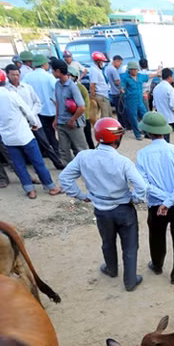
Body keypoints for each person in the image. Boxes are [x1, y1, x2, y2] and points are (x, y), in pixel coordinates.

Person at [59, 117, 147, 292]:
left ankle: (111, 269)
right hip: (124, 209)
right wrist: (136, 199)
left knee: (107, 241)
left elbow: (64, 179)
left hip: (101, 209)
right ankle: (130, 281)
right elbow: (142, 187)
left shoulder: (84, 157)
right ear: (117, 139)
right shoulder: (123, 162)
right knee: (129, 245)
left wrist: (81, 195)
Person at [0, 65, 59, 199]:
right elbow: (28, 112)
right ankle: (51, 186)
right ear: (3, 77)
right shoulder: (11, 94)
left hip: (8, 138)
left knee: (19, 165)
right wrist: (34, 124)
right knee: (37, 162)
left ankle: (30, 190)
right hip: (24, 135)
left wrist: (1, 130)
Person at [136, 112, 174, 285]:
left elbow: (144, 185)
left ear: (147, 132)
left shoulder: (142, 154)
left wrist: (165, 201)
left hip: (156, 205)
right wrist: (172, 200)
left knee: (156, 236)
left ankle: (157, 265)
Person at [5, 64, 64, 171]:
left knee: (45, 144)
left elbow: (37, 103)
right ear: (7, 74)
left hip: (35, 122)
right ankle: (33, 167)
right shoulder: (5, 90)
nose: (15, 77)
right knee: (26, 146)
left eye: (17, 74)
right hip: (19, 124)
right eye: (12, 74)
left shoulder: (27, 87)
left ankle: (57, 163)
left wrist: (31, 114)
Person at [23, 54, 60, 154]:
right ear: (44, 64)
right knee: (54, 131)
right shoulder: (49, 77)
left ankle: (48, 150)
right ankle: (57, 150)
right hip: (51, 109)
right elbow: (57, 90)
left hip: (36, 110)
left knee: (43, 132)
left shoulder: (27, 77)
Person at [52, 60, 87, 166]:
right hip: (61, 122)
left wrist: (72, 120)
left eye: (52, 70)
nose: (51, 73)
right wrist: (56, 119)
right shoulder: (57, 84)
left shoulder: (72, 87)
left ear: (58, 71)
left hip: (73, 124)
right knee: (63, 149)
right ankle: (69, 169)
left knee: (80, 148)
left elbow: (81, 107)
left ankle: (86, 168)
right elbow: (58, 102)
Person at [153, 68, 174, 145]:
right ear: (169, 77)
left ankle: (165, 151)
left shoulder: (156, 88)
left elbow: (154, 104)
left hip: (162, 117)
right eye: (172, 77)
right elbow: (173, 105)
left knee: (165, 137)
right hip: (172, 117)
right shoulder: (170, 89)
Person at [67, 65, 95, 150]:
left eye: (69, 75)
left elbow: (85, 103)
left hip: (83, 117)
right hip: (74, 117)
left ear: (74, 77)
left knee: (87, 138)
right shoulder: (68, 87)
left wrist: (83, 116)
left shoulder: (80, 88)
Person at [122, 61, 147, 141]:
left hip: (140, 100)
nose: (135, 71)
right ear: (129, 70)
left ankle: (147, 132)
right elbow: (122, 85)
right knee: (133, 117)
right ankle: (137, 134)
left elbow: (148, 76)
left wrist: (158, 73)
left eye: (136, 69)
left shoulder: (140, 76)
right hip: (131, 101)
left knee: (145, 115)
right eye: (133, 70)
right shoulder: (126, 78)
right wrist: (122, 89)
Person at [88, 51, 112, 118]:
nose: (103, 63)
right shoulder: (94, 70)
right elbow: (93, 84)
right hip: (100, 95)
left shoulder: (98, 69)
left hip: (104, 95)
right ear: (98, 61)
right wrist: (93, 96)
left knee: (109, 113)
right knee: (105, 115)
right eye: (102, 61)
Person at [105, 55, 125, 125]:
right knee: (122, 111)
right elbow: (117, 81)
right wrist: (121, 89)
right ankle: (123, 125)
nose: (120, 65)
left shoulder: (108, 68)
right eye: (120, 63)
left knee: (118, 111)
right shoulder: (113, 69)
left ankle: (121, 124)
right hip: (117, 93)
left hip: (112, 93)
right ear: (116, 61)